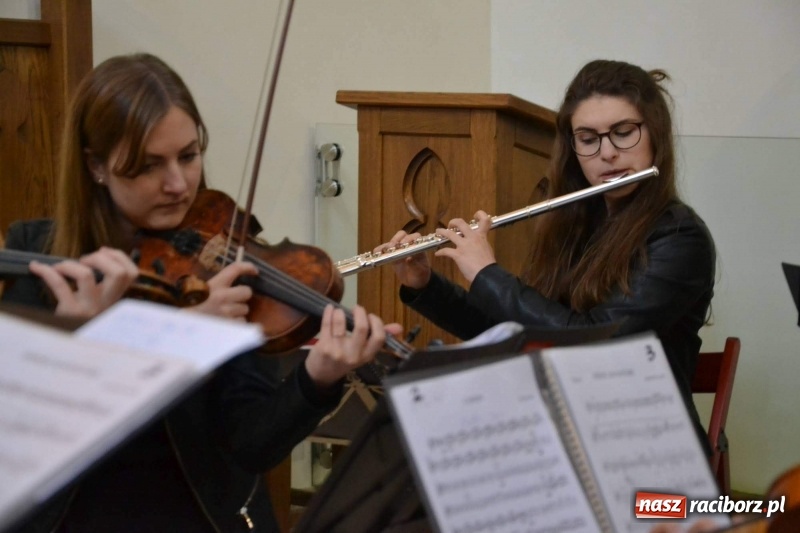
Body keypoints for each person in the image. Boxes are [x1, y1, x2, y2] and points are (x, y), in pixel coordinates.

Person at [1, 53, 401, 532]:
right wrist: (145, 340)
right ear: (97, 166)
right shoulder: (40, 258)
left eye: (188, 156)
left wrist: (316, 378)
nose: (178, 184)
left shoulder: (220, 255)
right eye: (148, 166)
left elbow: (252, 445)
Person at [377, 59, 716, 449]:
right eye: (588, 139)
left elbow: (591, 343)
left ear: (654, 135)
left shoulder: (679, 236)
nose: (607, 152)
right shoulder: (575, 229)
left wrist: (487, 273)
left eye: (623, 133)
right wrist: (425, 286)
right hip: (570, 430)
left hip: (648, 444)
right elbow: (517, 334)